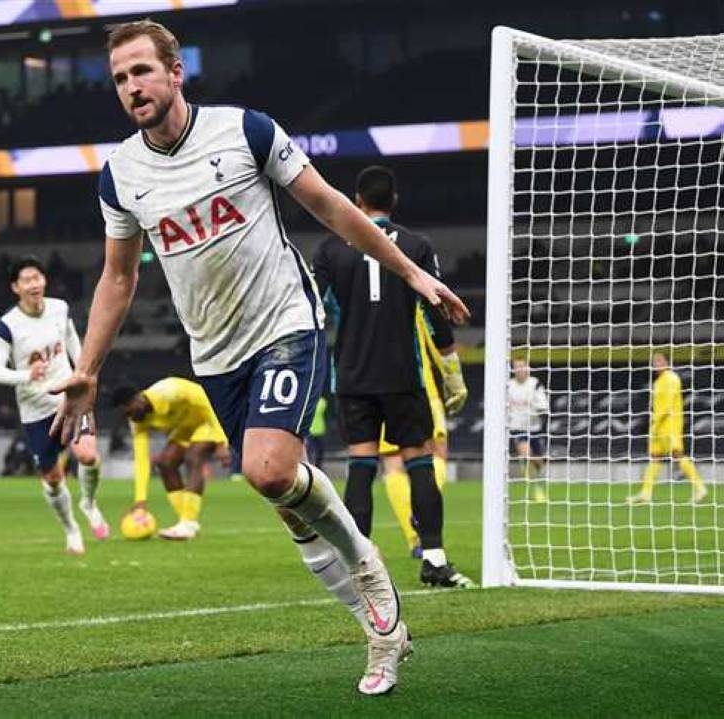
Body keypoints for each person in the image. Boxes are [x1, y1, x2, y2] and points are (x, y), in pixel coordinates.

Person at [51, 20, 469, 696]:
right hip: (216, 354)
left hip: (285, 324)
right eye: (121, 77)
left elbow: (331, 207)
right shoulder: (120, 175)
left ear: (175, 71)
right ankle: (381, 631)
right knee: (284, 501)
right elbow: (118, 278)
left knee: (268, 469)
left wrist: (412, 273)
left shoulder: (245, 132)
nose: (132, 86)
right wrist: (88, 370)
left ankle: (369, 569)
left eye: (142, 70)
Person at [312, 165, 473, 589]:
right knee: (419, 461)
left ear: (357, 199)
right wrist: (453, 374)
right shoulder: (417, 245)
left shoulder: (330, 249)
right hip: (403, 374)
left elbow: (314, 309)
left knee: (361, 465)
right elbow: (436, 309)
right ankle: (434, 559)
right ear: (394, 200)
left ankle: (359, 566)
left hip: (352, 375)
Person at [0, 256, 109, 555]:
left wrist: (84, 374)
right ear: (16, 287)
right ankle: (71, 529)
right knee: (53, 479)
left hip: (69, 399)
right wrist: (27, 374)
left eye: (37, 277)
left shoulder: (59, 308)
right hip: (36, 411)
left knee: (87, 454)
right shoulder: (6, 327)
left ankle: (89, 503)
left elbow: (73, 342)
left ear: (44, 280)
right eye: (26, 280)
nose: (34, 284)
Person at [380, 305, 458, 558]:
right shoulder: (411, 293)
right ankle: (419, 510)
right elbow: (435, 336)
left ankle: (414, 540)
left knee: (393, 464)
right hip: (421, 389)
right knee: (436, 453)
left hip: (375, 390)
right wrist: (452, 377)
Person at [111, 378, 229, 540]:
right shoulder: (137, 422)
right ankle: (187, 522)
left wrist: (221, 441)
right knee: (165, 463)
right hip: (186, 428)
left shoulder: (168, 393)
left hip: (208, 418)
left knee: (193, 456)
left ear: (138, 398)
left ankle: (187, 523)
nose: (130, 418)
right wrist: (140, 500)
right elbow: (141, 461)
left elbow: (202, 397)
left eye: (129, 412)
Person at [628, 351, 707, 504]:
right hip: (658, 425)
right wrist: (654, 423)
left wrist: (655, 421)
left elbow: (668, 404)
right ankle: (645, 493)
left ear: (667, 362)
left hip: (670, 424)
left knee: (677, 454)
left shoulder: (671, 378)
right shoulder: (658, 382)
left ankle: (700, 488)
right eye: (654, 361)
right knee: (655, 457)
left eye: (659, 360)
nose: (656, 364)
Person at [507, 357, 549, 503]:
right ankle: (534, 489)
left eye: (522, 366)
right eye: (517, 367)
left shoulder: (535, 384)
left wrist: (540, 408)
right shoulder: (508, 386)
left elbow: (543, 405)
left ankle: (537, 485)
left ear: (528, 368)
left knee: (539, 462)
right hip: (517, 429)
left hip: (535, 428)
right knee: (526, 455)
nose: (520, 370)